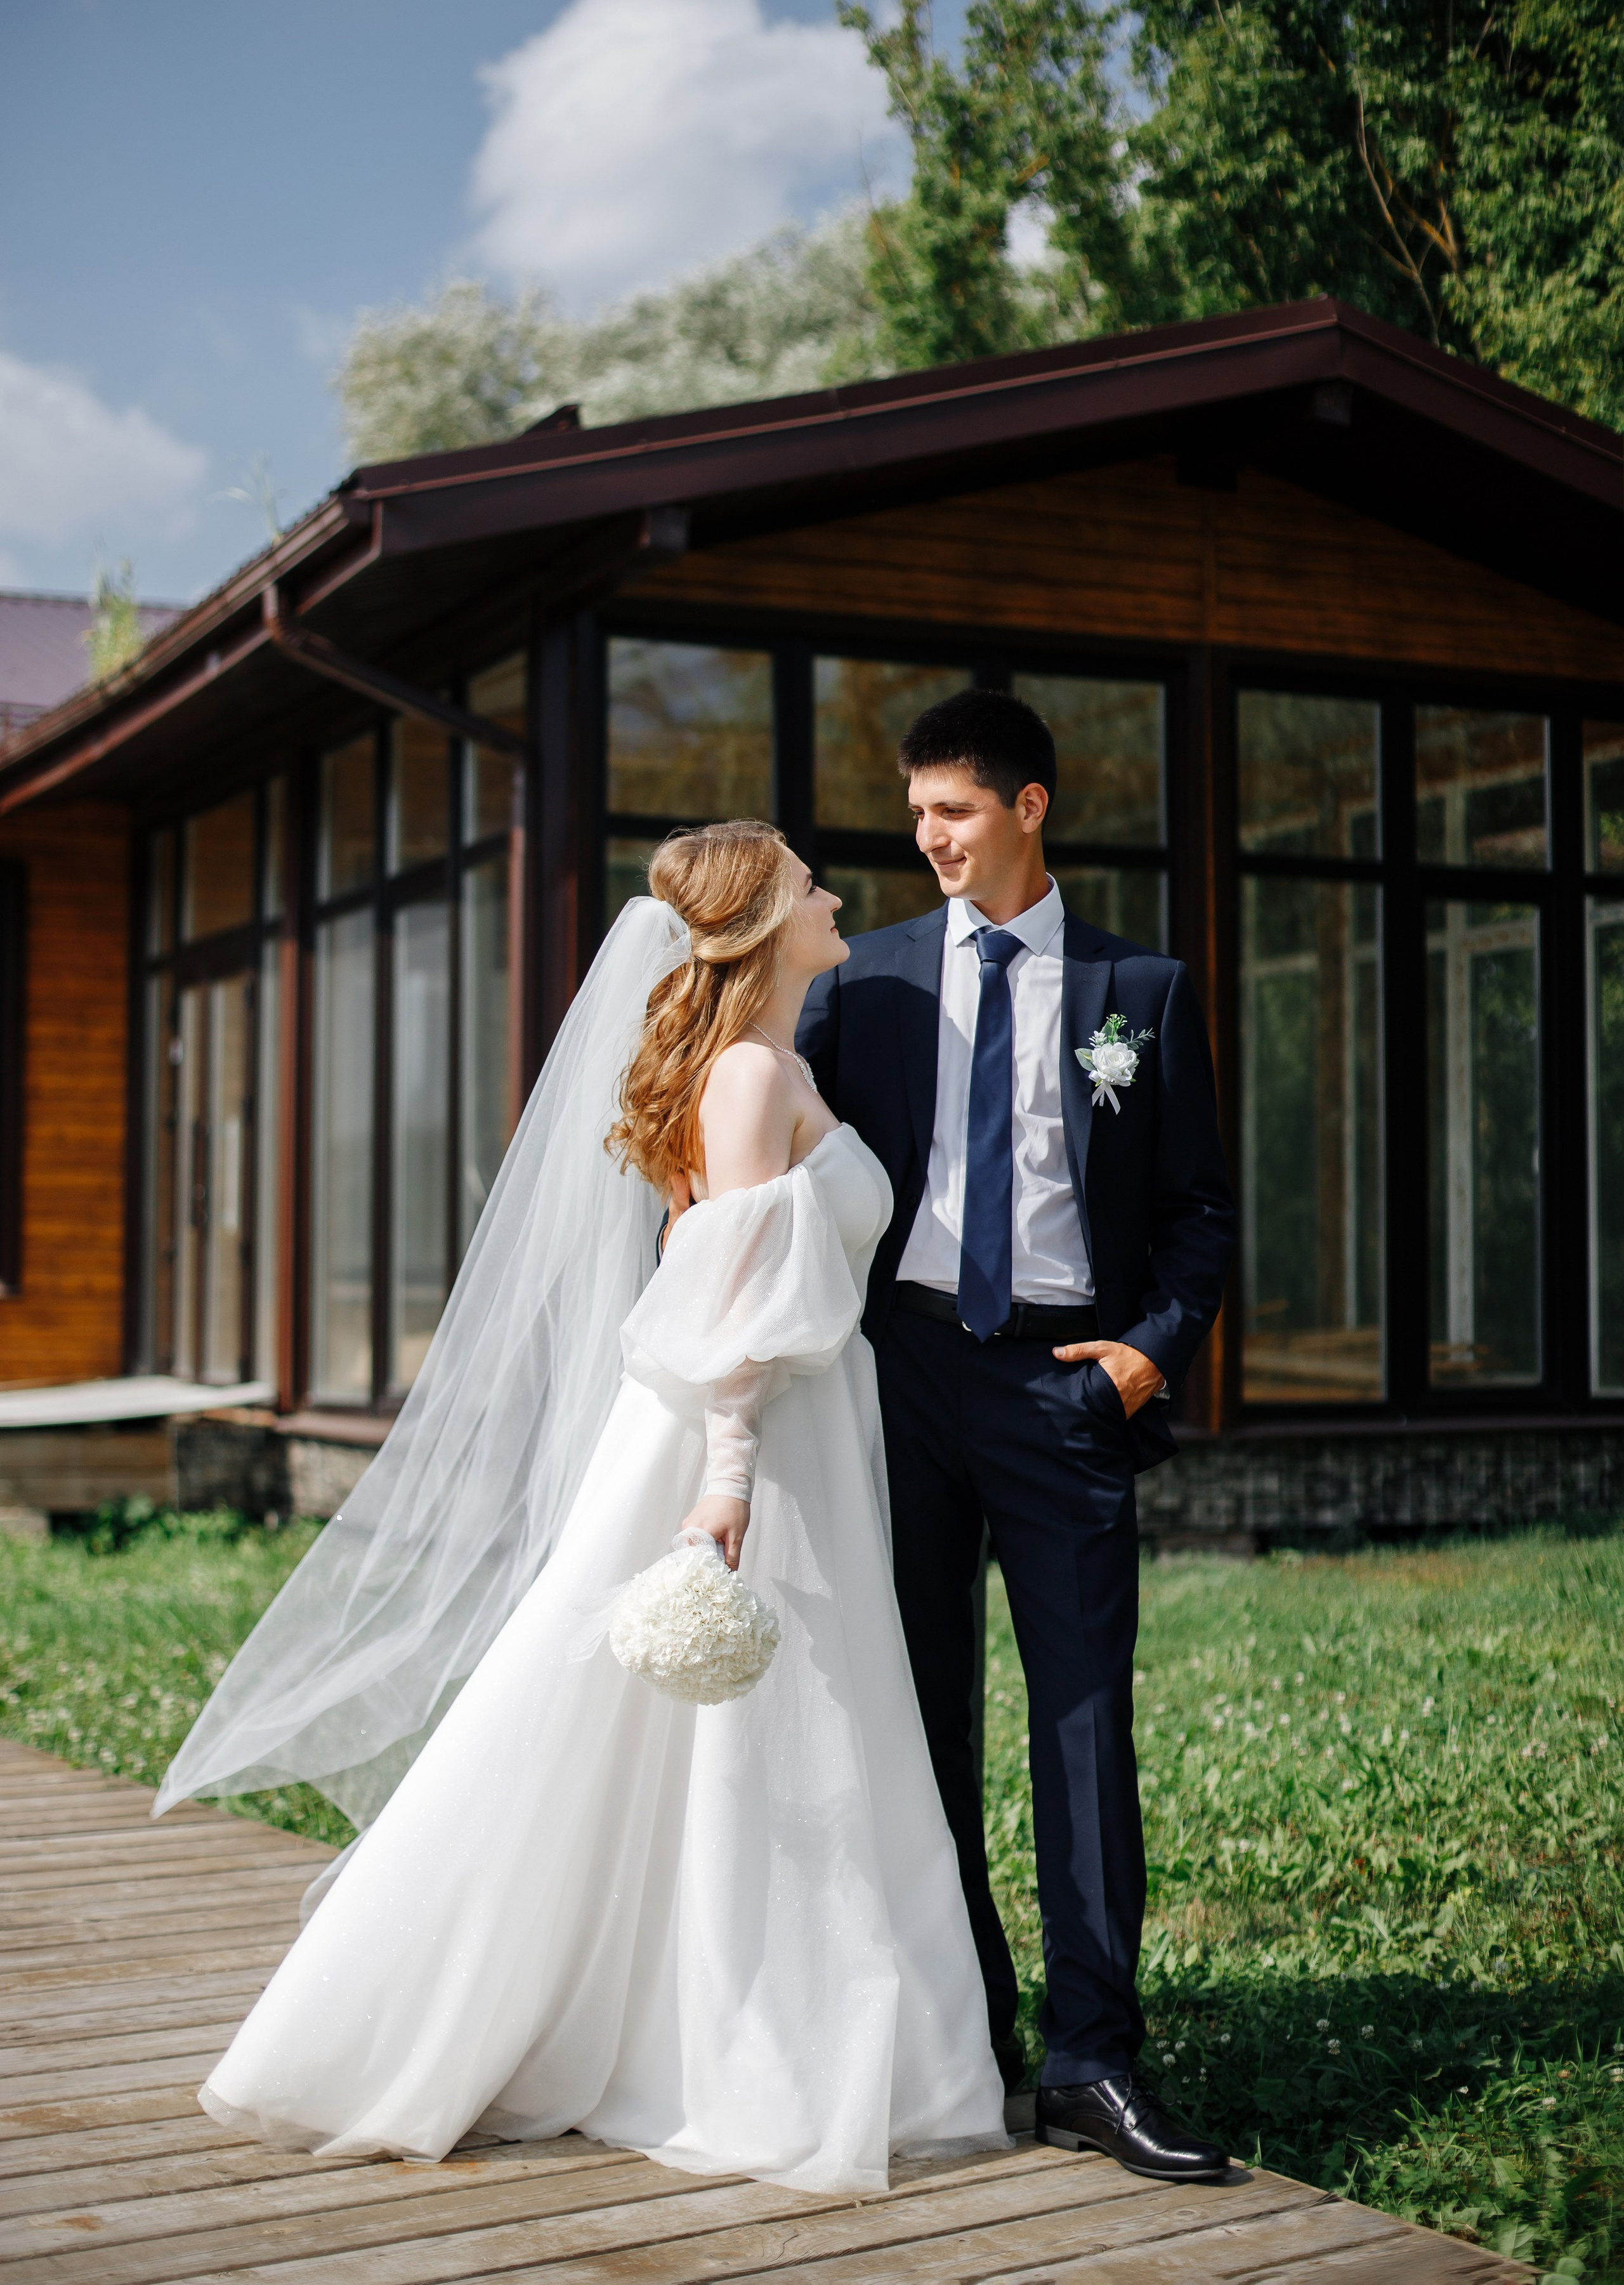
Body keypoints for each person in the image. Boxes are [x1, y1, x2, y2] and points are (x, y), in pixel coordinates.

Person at [157, 822, 1005, 2193]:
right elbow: (726, 1291)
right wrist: (726, 1481)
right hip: (750, 1442)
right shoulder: (742, 1076)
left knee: (734, 1737)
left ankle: (758, 2021)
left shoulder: (769, 1063)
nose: (833, 893)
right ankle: (732, 2043)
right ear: (752, 924)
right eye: (805, 882)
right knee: (731, 1736)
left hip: (799, 1432)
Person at [798, 688, 1236, 2183]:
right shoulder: (864, 984)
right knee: (918, 1727)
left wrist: (1145, 1353)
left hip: (1063, 1386)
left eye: (954, 811)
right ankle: (960, 2033)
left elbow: (1196, 1213)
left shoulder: (1140, 986)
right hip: (903, 1380)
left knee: (1080, 1729)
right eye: (916, 812)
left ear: (1029, 808)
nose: (926, 837)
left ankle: (1092, 2062)